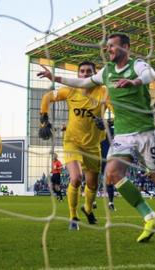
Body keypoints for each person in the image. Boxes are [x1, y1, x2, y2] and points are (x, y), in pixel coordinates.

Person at [38, 33, 155, 242]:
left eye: (112, 46)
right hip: (123, 135)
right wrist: (55, 78)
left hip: (146, 132)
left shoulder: (137, 65)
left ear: (126, 47)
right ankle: (151, 218)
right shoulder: (107, 72)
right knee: (111, 174)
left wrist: (134, 82)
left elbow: (152, 74)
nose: (108, 49)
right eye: (107, 46)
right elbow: (83, 81)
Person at [38, 61, 110, 230]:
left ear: (95, 74)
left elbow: (118, 113)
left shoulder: (104, 92)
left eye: (88, 71)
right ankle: (73, 217)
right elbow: (47, 97)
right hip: (72, 142)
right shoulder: (70, 90)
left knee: (92, 184)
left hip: (93, 145)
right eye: (82, 71)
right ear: (78, 75)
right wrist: (43, 119)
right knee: (76, 178)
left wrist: (106, 122)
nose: (85, 74)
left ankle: (88, 209)